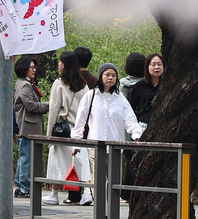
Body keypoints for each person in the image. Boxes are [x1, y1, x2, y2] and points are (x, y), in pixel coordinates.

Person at [72, 63, 144, 205]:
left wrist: (136, 134)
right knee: (97, 180)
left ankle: (111, 210)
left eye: (113, 75)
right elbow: (80, 121)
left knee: (114, 182)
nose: (110, 78)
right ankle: (101, 209)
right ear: (100, 76)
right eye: (107, 75)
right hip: (95, 146)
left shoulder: (120, 98)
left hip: (115, 147)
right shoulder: (91, 96)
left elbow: (130, 119)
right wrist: (76, 143)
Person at [44, 50, 90, 205]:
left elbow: (54, 110)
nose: (58, 64)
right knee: (81, 162)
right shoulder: (83, 85)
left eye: (60, 61)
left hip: (63, 130)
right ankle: (87, 193)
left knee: (57, 162)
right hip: (79, 130)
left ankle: (54, 194)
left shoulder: (59, 83)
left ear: (64, 65)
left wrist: (49, 135)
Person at [13, 56, 48, 196]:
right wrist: (49, 105)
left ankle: (20, 186)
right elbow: (30, 105)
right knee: (27, 158)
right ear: (24, 68)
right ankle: (24, 188)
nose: (34, 70)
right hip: (27, 127)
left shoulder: (25, 83)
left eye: (34, 67)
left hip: (27, 126)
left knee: (24, 157)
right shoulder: (24, 85)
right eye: (31, 67)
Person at [126, 52, 163, 126]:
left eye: (159, 64)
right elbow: (130, 109)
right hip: (144, 125)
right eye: (153, 65)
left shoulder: (167, 85)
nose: (157, 67)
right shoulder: (139, 86)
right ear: (147, 67)